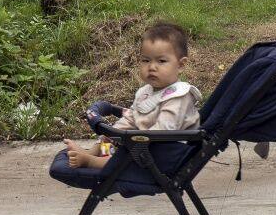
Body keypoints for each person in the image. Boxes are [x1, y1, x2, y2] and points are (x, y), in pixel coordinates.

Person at [62, 22, 201, 167]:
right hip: (144, 143)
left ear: (181, 65)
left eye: (161, 61)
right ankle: (92, 152)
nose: (152, 67)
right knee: (111, 137)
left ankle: (92, 162)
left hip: (166, 154)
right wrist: (114, 134)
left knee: (125, 154)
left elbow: (163, 132)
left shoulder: (179, 97)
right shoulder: (146, 92)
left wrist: (131, 141)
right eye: (146, 60)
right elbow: (131, 118)